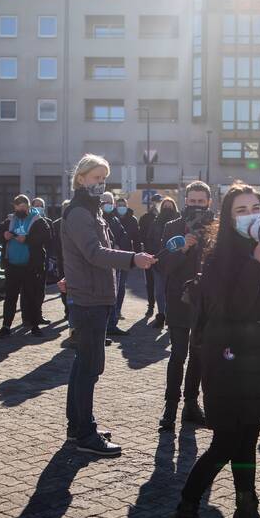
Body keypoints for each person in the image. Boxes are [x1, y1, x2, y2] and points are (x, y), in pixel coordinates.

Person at [164, 184, 260, 518]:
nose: (251, 214)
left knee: (248, 441)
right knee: (224, 445)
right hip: (227, 367)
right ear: (228, 217)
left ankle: (247, 511)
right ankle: (183, 516)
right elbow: (231, 311)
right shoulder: (219, 261)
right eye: (241, 210)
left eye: (256, 207)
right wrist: (256, 265)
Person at [60, 154, 156, 456]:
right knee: (89, 366)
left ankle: (78, 427)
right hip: (89, 299)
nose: (100, 184)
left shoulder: (91, 210)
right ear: (80, 179)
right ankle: (85, 434)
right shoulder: (79, 212)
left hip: (93, 296)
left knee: (83, 364)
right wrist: (131, 259)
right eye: (95, 178)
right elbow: (93, 252)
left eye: (103, 179)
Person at [157, 180, 213, 432]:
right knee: (178, 354)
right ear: (185, 202)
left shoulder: (217, 228)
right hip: (178, 300)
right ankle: (170, 407)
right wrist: (183, 249)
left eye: (201, 202)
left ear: (209, 203)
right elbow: (163, 266)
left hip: (205, 301)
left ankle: (192, 405)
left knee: (199, 355)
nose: (197, 206)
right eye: (192, 201)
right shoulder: (172, 226)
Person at [0, 195, 51, 337]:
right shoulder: (10, 219)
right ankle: (6, 326)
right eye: (18, 207)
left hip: (31, 266)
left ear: (28, 206)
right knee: (10, 297)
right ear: (14, 207)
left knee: (32, 297)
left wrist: (27, 239)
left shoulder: (38, 220)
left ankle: (34, 326)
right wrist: (4, 235)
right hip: (12, 266)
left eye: (24, 207)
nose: (21, 209)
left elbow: (46, 236)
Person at [102, 192, 136, 336]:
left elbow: (124, 237)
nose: (108, 205)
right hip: (103, 263)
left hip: (117, 261)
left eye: (111, 202)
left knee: (118, 291)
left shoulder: (115, 220)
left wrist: (118, 246)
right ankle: (104, 326)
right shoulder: (96, 219)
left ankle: (112, 323)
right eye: (105, 202)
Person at [148, 197, 180, 329]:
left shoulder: (179, 223)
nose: (167, 209)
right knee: (160, 291)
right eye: (165, 206)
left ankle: (172, 317)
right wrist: (152, 256)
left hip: (174, 262)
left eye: (170, 206)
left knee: (173, 291)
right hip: (158, 261)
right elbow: (149, 239)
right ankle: (161, 315)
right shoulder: (156, 222)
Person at [30, 197, 54, 324]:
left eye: (41, 206)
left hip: (43, 260)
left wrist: (50, 259)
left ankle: (38, 315)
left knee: (40, 290)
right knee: (28, 290)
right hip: (29, 261)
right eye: (36, 205)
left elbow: (50, 242)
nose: (39, 208)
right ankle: (27, 316)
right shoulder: (28, 221)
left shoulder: (48, 222)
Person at [139, 194, 162, 317]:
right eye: (155, 201)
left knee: (162, 283)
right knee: (150, 282)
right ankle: (151, 306)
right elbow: (141, 235)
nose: (156, 204)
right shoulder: (145, 218)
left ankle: (162, 310)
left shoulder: (166, 217)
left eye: (159, 201)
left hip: (162, 255)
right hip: (149, 253)